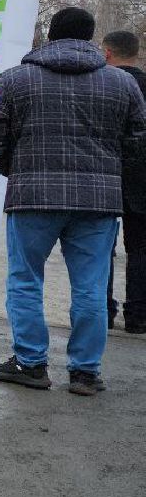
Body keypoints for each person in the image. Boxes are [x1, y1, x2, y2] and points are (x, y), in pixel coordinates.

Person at [0, 7, 146, 395]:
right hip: (98, 202)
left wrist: (14, 168)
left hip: (32, 196)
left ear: (51, 35)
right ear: (92, 40)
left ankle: (30, 362)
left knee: (24, 280)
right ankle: (85, 371)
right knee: (90, 284)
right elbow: (138, 138)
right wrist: (111, 171)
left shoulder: (15, 80)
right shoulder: (121, 84)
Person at [102, 29, 146, 332]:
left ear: (106, 54)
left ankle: (102, 310)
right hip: (142, 178)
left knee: (100, 246)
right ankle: (138, 315)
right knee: (141, 248)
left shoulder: (102, 85)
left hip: (104, 175)